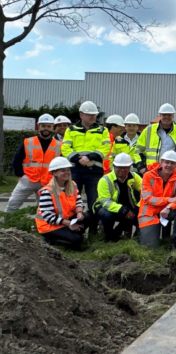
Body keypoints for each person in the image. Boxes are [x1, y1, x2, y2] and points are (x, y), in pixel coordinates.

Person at [60, 101, 111, 233]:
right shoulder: (71, 130)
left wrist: (91, 157)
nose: (93, 117)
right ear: (81, 115)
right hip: (76, 170)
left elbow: (106, 146)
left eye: (94, 115)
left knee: (94, 202)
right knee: (71, 200)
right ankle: (73, 229)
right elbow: (65, 148)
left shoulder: (102, 130)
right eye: (89, 115)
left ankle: (93, 232)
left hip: (94, 171)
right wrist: (79, 159)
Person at [8, 114, 60, 213]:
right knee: (13, 203)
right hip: (28, 179)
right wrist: (21, 175)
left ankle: (41, 227)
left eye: (48, 126)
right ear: (38, 126)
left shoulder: (58, 145)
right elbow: (17, 160)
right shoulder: (28, 142)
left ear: (52, 127)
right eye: (43, 126)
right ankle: (6, 223)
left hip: (48, 181)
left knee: (45, 208)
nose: (46, 129)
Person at [138, 150, 176, 250]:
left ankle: (175, 240)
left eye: (172, 163)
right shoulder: (148, 175)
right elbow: (148, 199)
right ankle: (143, 235)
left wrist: (169, 207)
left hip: (167, 210)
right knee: (150, 248)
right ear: (161, 162)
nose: (169, 165)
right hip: (149, 212)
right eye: (166, 162)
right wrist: (169, 200)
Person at [36, 157, 89, 251]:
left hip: (65, 220)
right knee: (77, 240)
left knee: (89, 216)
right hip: (49, 226)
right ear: (54, 173)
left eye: (68, 170)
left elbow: (78, 201)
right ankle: (50, 241)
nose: (67, 172)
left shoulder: (72, 185)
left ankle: (72, 233)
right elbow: (48, 217)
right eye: (63, 170)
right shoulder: (47, 191)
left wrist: (79, 212)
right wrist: (68, 224)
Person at [135, 103, 176, 174]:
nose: (166, 117)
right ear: (160, 115)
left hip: (173, 172)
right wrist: (141, 168)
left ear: (173, 116)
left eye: (169, 115)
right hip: (152, 171)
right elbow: (138, 150)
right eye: (164, 115)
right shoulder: (149, 130)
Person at [95, 153, 141, 242]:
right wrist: (123, 209)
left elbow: (146, 191)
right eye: (119, 167)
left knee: (140, 212)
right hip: (109, 208)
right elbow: (105, 201)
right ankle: (108, 237)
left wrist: (138, 207)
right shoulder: (105, 180)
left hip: (128, 207)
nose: (122, 170)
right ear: (114, 166)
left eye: (125, 167)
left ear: (130, 167)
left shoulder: (134, 176)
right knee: (106, 214)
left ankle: (133, 238)